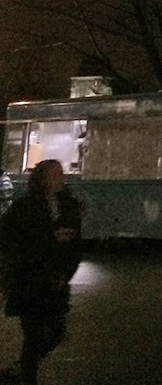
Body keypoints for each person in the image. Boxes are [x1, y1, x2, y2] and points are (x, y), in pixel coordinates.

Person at [0, 160, 83, 385]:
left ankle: (20, 369)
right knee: (33, 335)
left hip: (55, 281)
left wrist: (67, 271)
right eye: (54, 174)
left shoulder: (68, 205)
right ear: (42, 179)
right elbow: (11, 241)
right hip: (30, 281)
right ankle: (27, 376)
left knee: (55, 332)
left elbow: (76, 244)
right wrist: (50, 239)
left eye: (60, 173)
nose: (60, 178)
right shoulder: (25, 208)